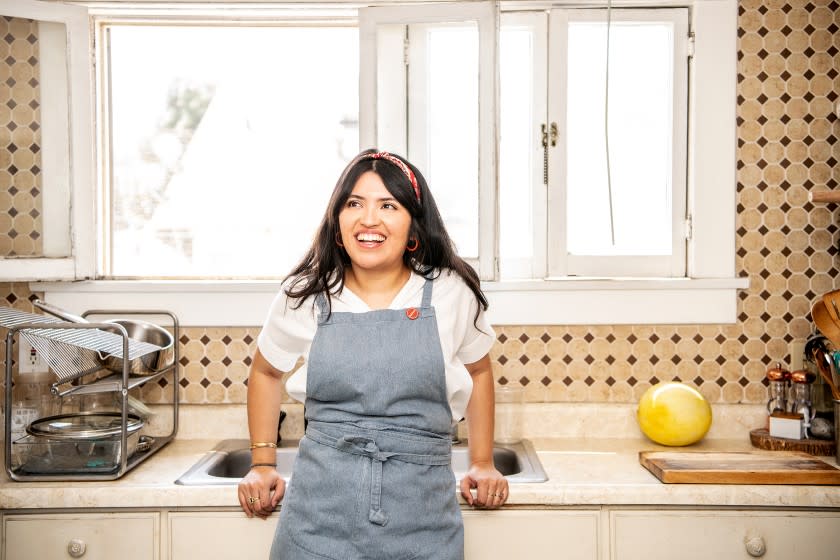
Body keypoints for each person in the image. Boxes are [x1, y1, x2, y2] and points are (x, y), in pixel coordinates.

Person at [237, 149, 508, 560]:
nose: (369, 220)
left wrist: (483, 460)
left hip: (423, 521)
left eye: (388, 205)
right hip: (316, 520)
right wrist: (262, 462)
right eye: (354, 204)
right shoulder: (307, 295)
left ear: (413, 222)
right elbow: (265, 372)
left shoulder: (453, 291)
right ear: (337, 223)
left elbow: (480, 371)